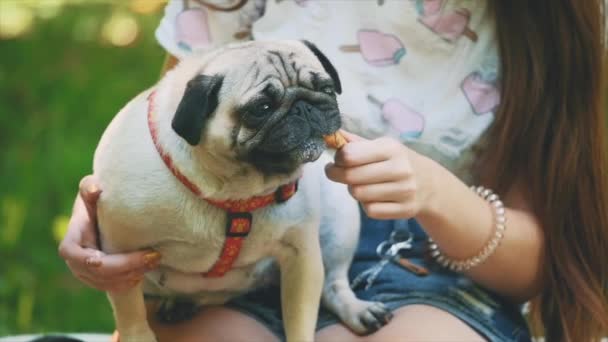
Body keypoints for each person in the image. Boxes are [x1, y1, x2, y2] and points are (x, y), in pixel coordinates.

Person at [59, 0, 608, 341]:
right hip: (228, 257)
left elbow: (544, 266)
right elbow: (171, 128)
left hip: (425, 265)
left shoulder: (553, 21)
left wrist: (439, 195)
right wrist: (111, 222)